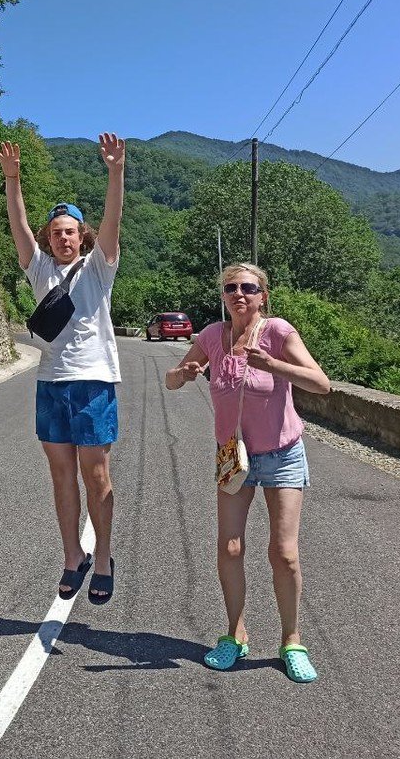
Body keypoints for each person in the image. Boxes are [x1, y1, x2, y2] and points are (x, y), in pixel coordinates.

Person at [165, 262, 330, 683]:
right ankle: (235, 635)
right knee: (230, 547)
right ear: (223, 296)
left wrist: (274, 365)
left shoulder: (278, 332)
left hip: (282, 454)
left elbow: (321, 383)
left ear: (263, 296)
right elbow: (171, 381)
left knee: (284, 553)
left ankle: (292, 641)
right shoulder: (211, 336)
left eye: (248, 288)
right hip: (232, 456)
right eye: (231, 288)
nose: (239, 294)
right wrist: (184, 373)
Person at [0, 134, 125, 604]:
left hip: (93, 382)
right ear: (49, 239)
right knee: (61, 476)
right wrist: (13, 181)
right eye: (56, 233)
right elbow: (18, 226)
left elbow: (113, 220)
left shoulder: (98, 268)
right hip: (51, 383)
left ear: (82, 236)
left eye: (70, 231)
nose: (63, 238)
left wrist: (116, 172)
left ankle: (103, 555)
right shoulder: (39, 269)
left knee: (96, 474)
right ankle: (73, 555)